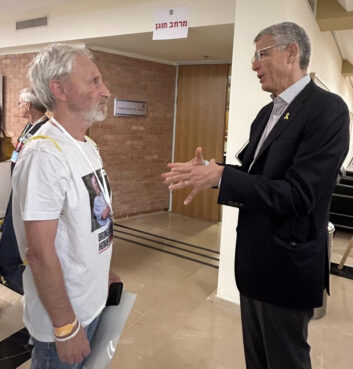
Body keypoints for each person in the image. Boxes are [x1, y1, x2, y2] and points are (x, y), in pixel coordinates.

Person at [162, 22, 350, 369]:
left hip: (287, 269)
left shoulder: (328, 110)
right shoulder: (266, 113)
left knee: (285, 360)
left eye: (261, 54)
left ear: (291, 52)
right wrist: (214, 172)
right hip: (254, 265)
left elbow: (299, 195)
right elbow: (254, 177)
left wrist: (223, 177)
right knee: (258, 360)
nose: (252, 64)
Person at [11, 44, 120, 368]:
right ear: (59, 89)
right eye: (94, 81)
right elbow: (40, 254)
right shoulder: (45, 155)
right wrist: (65, 327)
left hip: (91, 302)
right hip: (65, 319)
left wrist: (104, 272)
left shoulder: (86, 145)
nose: (106, 91)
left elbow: (88, 222)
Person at [0, 87, 48, 294]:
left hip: (27, 194)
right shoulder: (30, 126)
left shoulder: (44, 130)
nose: (18, 107)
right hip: (17, 190)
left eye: (20, 103)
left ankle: (18, 282)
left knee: (17, 239)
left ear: (28, 105)